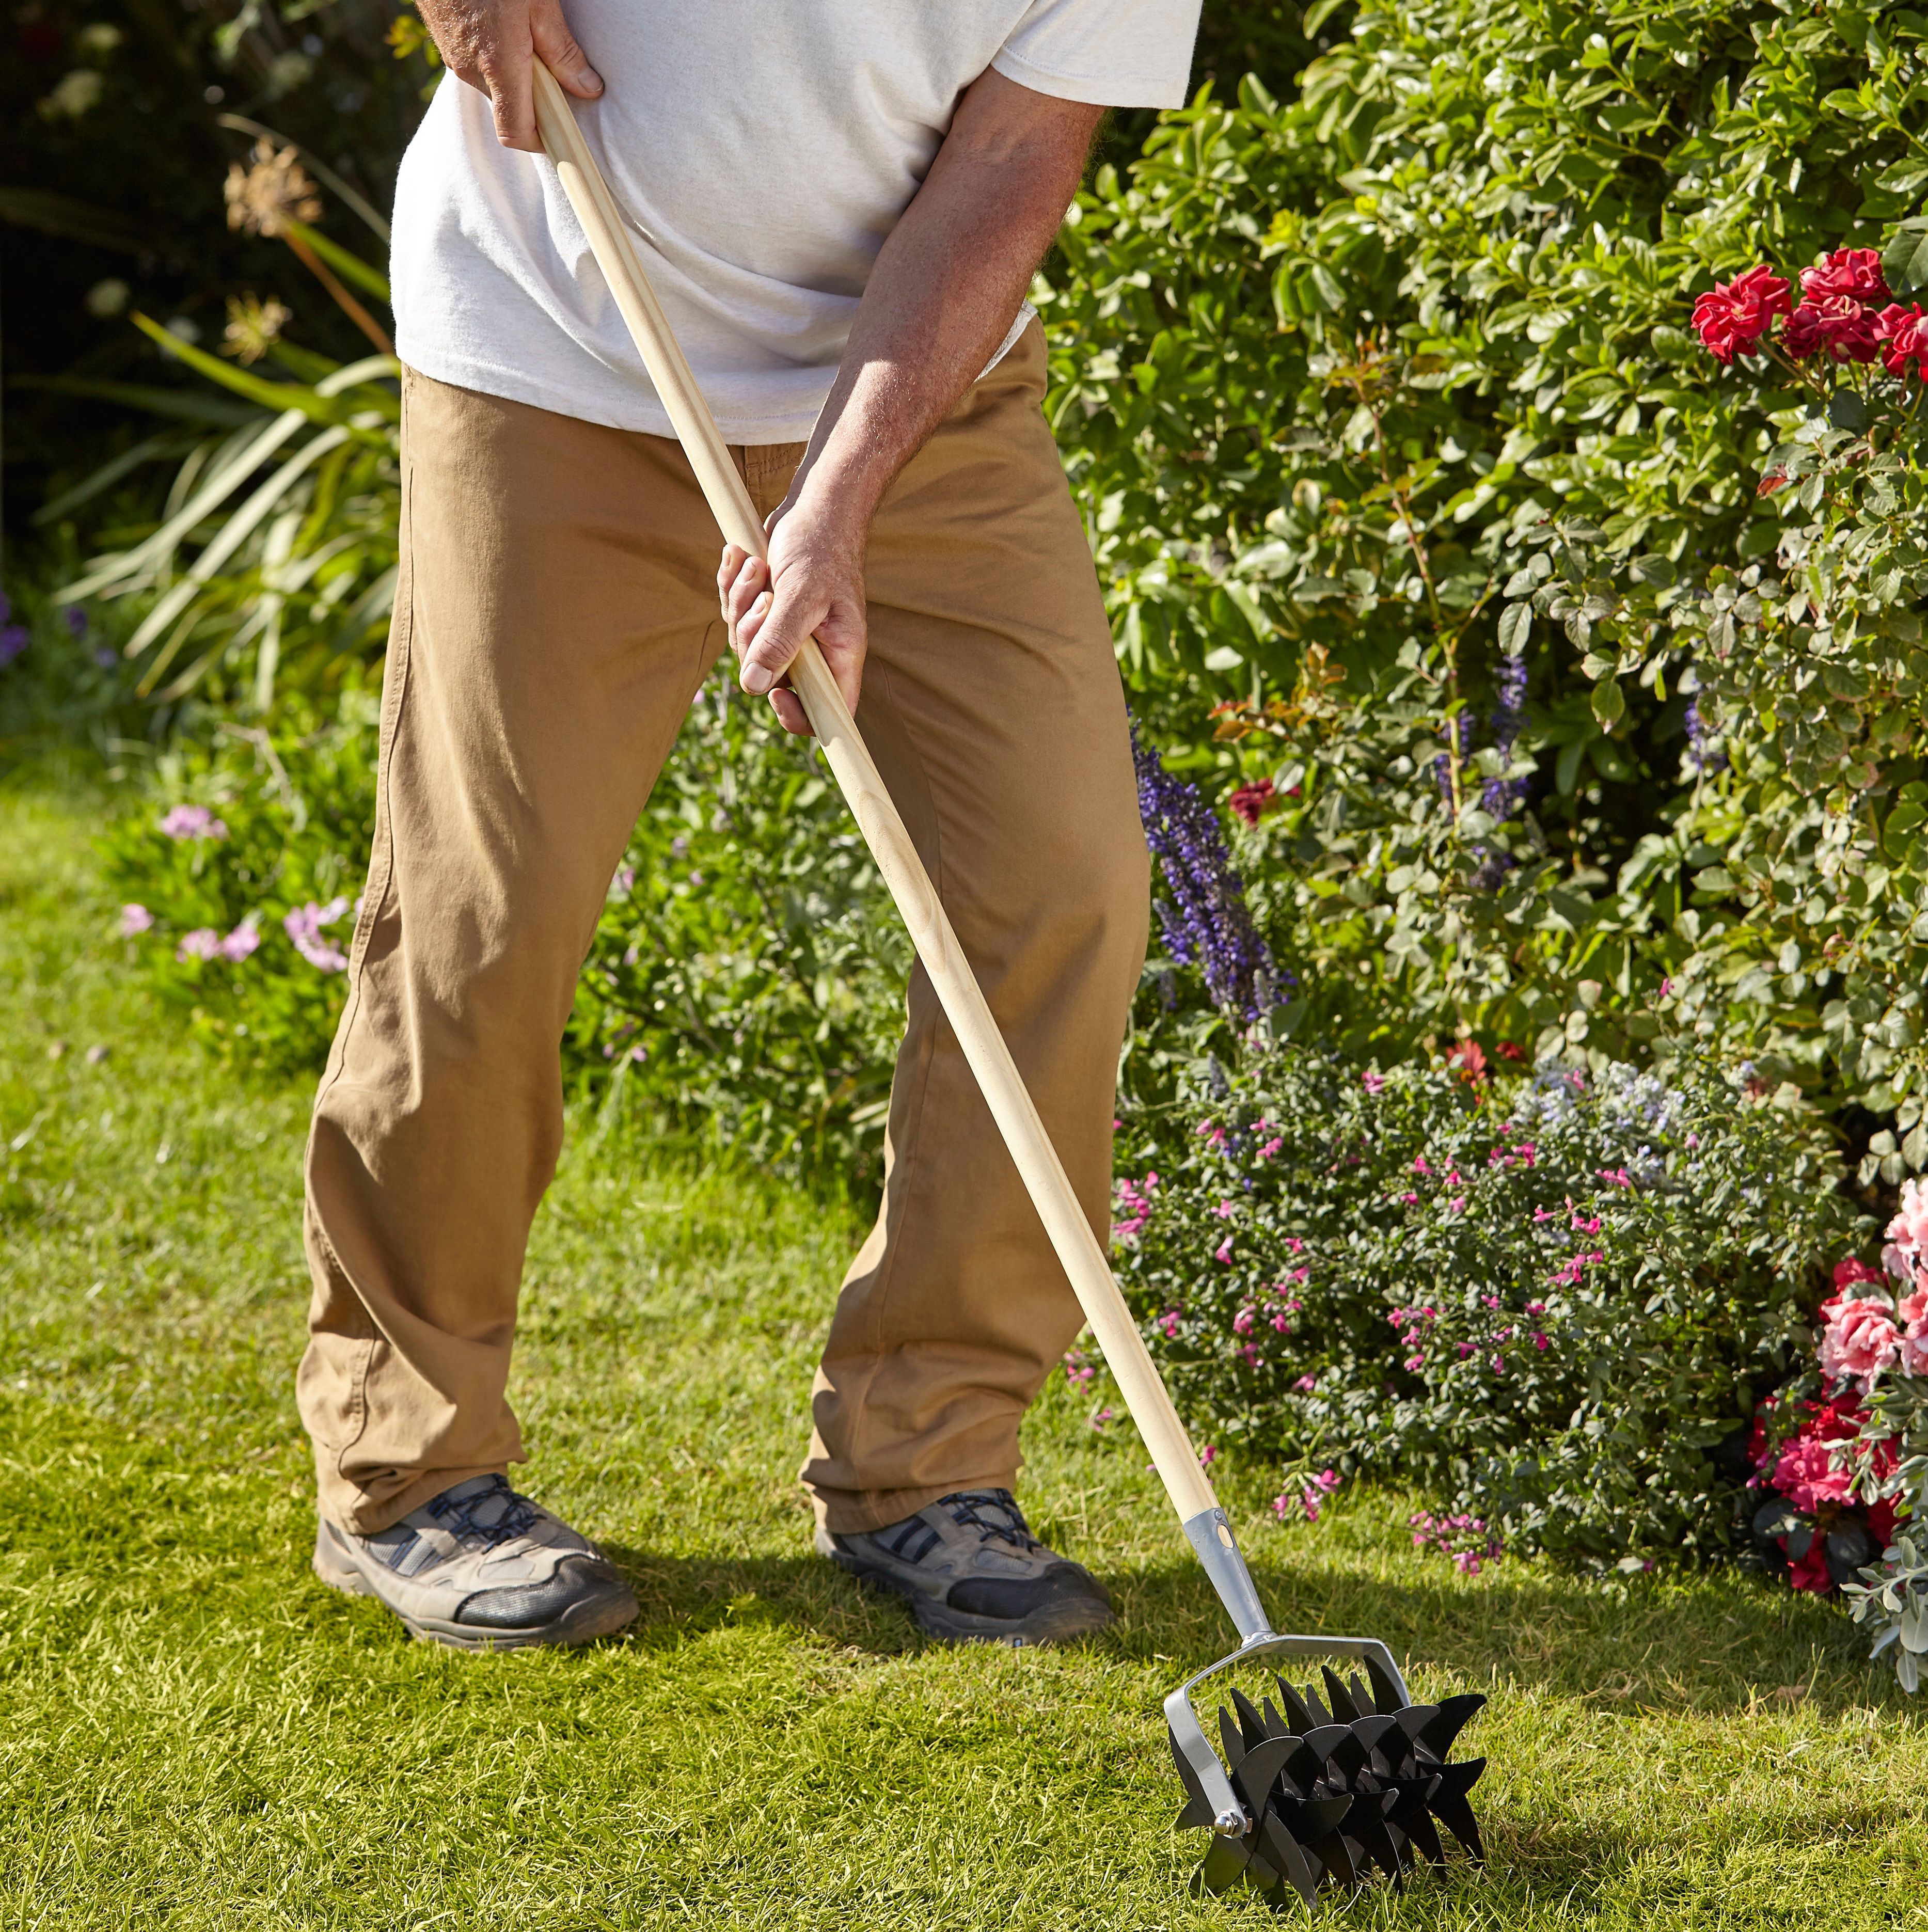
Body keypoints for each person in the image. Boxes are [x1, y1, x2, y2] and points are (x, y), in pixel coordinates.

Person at [302, 0, 1199, 1652]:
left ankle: (922, 1467)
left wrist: (837, 500)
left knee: (1057, 885)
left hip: (921, 405)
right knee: (484, 912)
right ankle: (407, 1468)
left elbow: (1007, 163)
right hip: (557, 351)